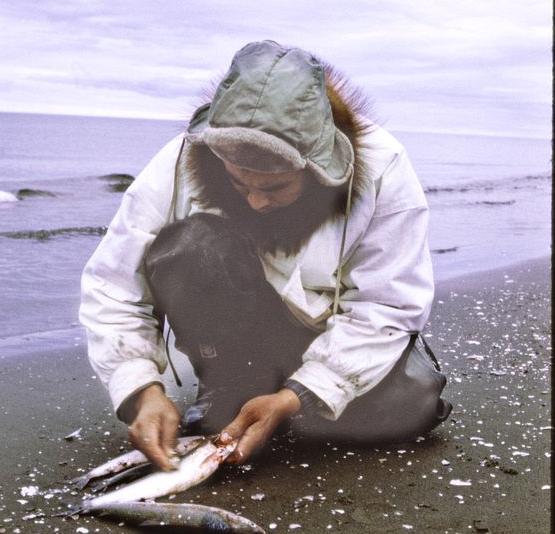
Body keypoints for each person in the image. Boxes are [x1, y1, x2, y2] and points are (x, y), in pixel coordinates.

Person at [80, 40, 450, 472]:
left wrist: (298, 394)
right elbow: (114, 284)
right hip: (241, 332)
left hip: (327, 331)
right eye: (239, 184)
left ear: (316, 168)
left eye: (274, 187)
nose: (256, 201)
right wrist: (141, 390)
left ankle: (282, 407)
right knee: (194, 245)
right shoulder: (180, 157)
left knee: (414, 407)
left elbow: (388, 304)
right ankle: (228, 389)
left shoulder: (384, 167)